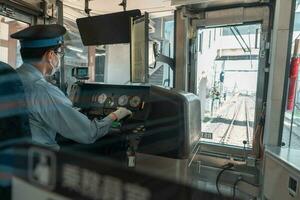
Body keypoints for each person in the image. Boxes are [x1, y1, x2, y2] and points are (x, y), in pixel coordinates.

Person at [11, 24, 132, 150]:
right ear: (50, 55)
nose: (59, 57)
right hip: (39, 163)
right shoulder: (43, 90)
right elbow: (89, 133)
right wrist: (115, 115)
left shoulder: (9, 80)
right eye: (59, 53)